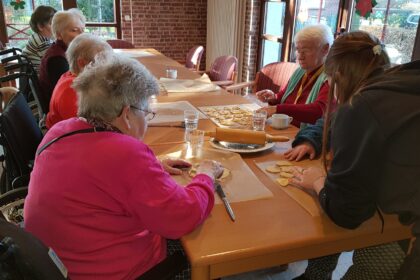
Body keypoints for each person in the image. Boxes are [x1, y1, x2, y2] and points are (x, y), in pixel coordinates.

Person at [24, 54, 224, 279]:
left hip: (56, 265)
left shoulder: (59, 131)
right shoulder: (124, 154)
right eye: (147, 113)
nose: (147, 121)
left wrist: (152, 166)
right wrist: (206, 175)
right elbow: (182, 216)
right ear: (127, 114)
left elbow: (92, 176)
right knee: (209, 253)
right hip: (114, 273)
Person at [290, 30, 420, 279]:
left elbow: (346, 212)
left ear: (338, 75)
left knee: (366, 264)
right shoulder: (395, 83)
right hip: (400, 204)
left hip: (405, 229)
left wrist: (317, 181)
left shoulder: (362, 105)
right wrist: (311, 138)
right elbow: (333, 117)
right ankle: (315, 275)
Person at [256, 24, 334, 128]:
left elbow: (318, 111)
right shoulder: (300, 72)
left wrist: (277, 109)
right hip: (285, 127)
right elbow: (283, 97)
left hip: (305, 136)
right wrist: (273, 97)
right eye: (298, 50)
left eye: (306, 50)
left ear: (325, 49)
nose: (300, 56)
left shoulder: (331, 78)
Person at [46, 33, 113, 129]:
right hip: (66, 140)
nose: (108, 68)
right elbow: (84, 130)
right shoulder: (73, 89)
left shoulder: (72, 75)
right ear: (82, 63)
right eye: (102, 62)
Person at [38, 8, 85, 109]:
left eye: (83, 30)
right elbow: (69, 91)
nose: (82, 35)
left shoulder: (65, 51)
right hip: (60, 112)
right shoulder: (57, 59)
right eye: (74, 30)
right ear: (59, 35)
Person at [22, 5, 56, 74]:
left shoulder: (38, 36)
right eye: (51, 24)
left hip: (36, 76)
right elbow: (52, 63)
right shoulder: (42, 41)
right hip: (39, 79)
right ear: (40, 26)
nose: (56, 27)